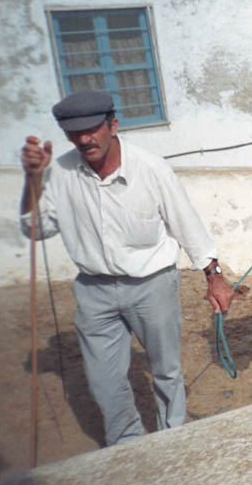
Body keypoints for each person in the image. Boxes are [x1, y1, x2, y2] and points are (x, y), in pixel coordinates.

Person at [19, 91, 234, 446]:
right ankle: (126, 449)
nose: (85, 139)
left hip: (153, 286)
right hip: (93, 290)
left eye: (92, 129)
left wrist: (214, 276)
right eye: (75, 133)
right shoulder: (60, 172)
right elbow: (34, 228)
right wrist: (33, 179)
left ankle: (172, 441)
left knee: (165, 370)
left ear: (113, 125)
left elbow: (186, 224)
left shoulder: (151, 169)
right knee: (103, 379)